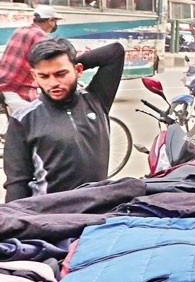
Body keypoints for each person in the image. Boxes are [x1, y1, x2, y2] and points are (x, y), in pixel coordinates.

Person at [3, 39, 125, 202]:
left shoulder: (96, 100)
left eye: (61, 73)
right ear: (34, 75)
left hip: (96, 207)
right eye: (44, 76)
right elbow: (17, 183)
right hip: (51, 215)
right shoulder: (24, 119)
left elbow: (115, 52)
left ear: (78, 70)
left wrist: (72, 63)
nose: (53, 83)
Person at [0, 6, 61, 120]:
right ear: (50, 20)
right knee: (41, 120)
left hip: (4, 82)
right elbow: (49, 62)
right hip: (19, 88)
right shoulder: (40, 36)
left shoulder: (20, 30)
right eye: (55, 21)